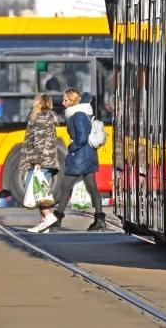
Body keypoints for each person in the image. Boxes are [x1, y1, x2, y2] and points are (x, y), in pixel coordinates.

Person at [51, 88, 106, 231]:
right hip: (88, 156)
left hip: (80, 157)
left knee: (65, 186)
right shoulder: (80, 113)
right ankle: (99, 220)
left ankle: (57, 219)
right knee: (92, 188)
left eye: (66, 100)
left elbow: (81, 138)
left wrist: (71, 147)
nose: (63, 103)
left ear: (73, 100)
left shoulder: (78, 115)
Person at [23, 93, 61, 233]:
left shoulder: (41, 117)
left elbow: (39, 141)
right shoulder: (48, 116)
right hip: (47, 160)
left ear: (38, 102)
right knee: (41, 193)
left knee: (35, 190)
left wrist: (37, 162)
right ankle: (44, 223)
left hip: (41, 160)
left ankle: (49, 216)